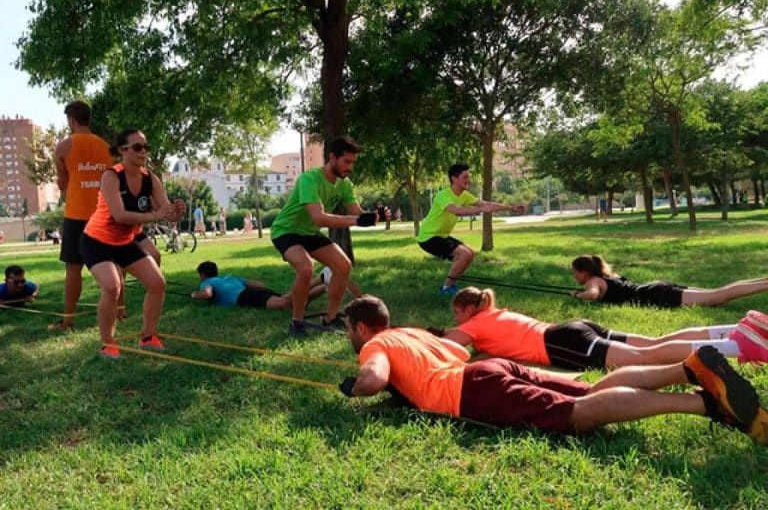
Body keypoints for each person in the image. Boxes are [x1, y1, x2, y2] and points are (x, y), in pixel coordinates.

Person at [338, 295, 768, 443]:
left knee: (579, 415)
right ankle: (688, 368)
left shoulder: (375, 344)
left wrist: (354, 387)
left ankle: (705, 405)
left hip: (471, 391)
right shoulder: (411, 332)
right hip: (489, 369)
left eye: (348, 330)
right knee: (590, 393)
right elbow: (454, 353)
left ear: (360, 327)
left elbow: (373, 379)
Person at [439, 287, 768, 371]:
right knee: (655, 343)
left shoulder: (474, 323)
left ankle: (739, 345)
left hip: (562, 343)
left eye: (456, 314)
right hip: (574, 328)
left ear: (468, 309)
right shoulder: (493, 311)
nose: (456, 320)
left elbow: (448, 347)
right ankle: (735, 328)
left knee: (646, 357)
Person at [80, 128, 185, 359]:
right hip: (96, 242)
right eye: (137, 147)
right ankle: (108, 344)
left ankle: (148, 337)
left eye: (146, 147)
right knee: (112, 287)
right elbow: (119, 215)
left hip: (124, 242)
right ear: (122, 151)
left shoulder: (151, 179)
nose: (143, 151)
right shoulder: (111, 177)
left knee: (157, 283)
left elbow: (166, 213)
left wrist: (176, 212)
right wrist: (156, 215)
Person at [269, 136, 379, 336]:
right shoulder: (309, 179)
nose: (350, 167)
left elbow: (357, 213)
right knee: (306, 268)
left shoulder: (345, 184)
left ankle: (330, 317)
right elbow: (318, 218)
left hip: (309, 232)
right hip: (286, 231)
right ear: (332, 157)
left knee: (344, 266)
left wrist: (374, 216)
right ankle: (297, 323)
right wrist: (356, 220)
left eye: (353, 163)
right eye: (346, 161)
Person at [50, 100, 114, 331]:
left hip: (76, 214)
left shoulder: (63, 147)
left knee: (73, 268)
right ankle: (120, 310)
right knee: (111, 263)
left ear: (71, 120)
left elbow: (63, 181)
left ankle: (68, 319)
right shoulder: (106, 147)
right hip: (104, 213)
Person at [416, 164, 512, 296]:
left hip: (441, 236)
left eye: (468, 177)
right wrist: (480, 209)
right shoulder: (443, 195)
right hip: (428, 237)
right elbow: (456, 210)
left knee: (470, 254)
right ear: (454, 178)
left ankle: (450, 285)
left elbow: (486, 204)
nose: (468, 180)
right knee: (464, 254)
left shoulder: (464, 195)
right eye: (465, 177)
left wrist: (511, 208)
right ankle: (446, 288)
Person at [572, 255, 768, 308]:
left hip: (657, 295)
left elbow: (593, 294)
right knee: (718, 292)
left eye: (575, 273)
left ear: (585, 272)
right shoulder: (607, 276)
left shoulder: (593, 280)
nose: (574, 277)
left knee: (718, 296)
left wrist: (579, 295)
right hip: (656, 288)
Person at [191, 261, 325, 310]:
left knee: (286, 304)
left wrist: (194, 294)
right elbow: (259, 284)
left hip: (244, 297)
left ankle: (319, 281)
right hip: (254, 290)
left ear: (203, 275)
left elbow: (207, 293)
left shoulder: (206, 282)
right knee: (288, 299)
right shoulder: (229, 278)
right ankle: (324, 286)